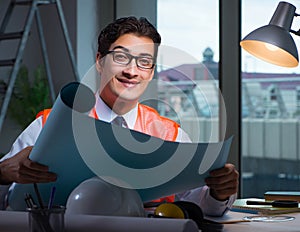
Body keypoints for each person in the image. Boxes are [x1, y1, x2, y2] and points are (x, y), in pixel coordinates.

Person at [0, 16, 238, 216]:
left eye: (144, 62)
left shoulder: (170, 135)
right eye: (121, 57)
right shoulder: (50, 125)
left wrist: (220, 191)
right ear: (100, 62)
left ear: (151, 72)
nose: (131, 71)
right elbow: (7, 199)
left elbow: (203, 206)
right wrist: (2, 173)